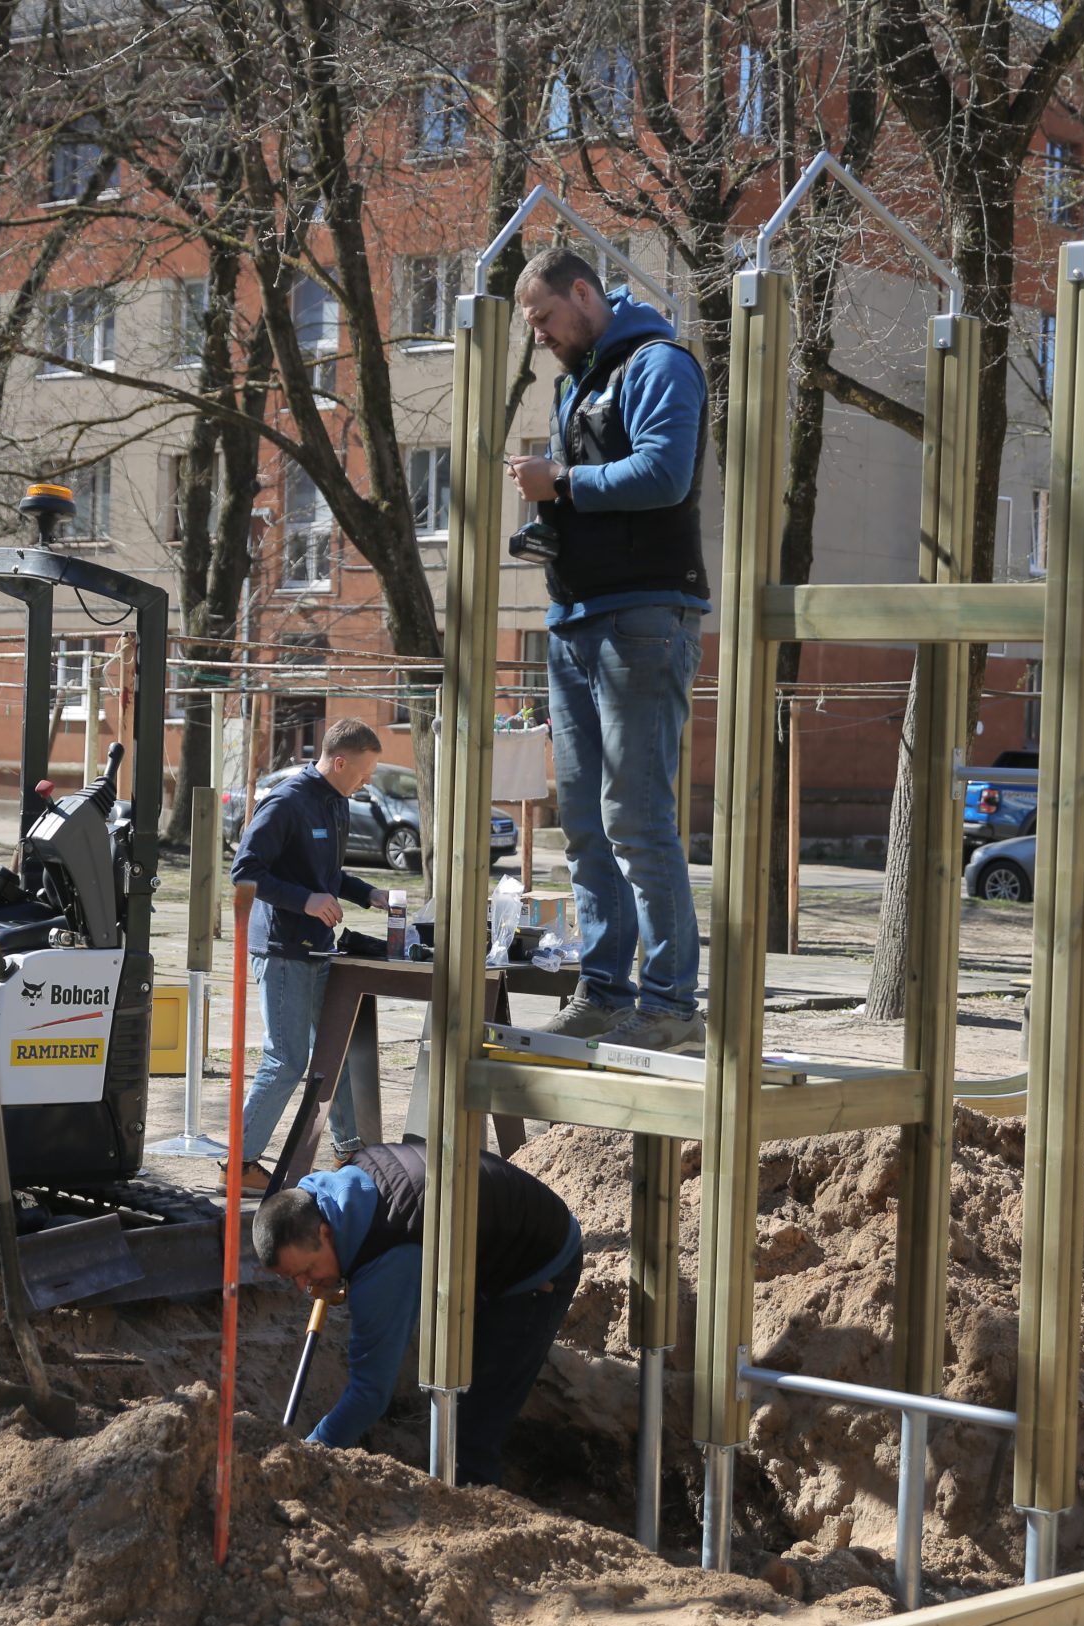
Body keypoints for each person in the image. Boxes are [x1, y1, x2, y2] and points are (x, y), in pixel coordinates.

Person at [504, 248, 709, 1052]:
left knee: (637, 815)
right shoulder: (579, 380)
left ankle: (669, 1005)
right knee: (585, 819)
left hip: (644, 617)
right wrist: (549, 516)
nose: (543, 337)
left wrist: (563, 485)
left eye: (547, 320)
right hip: (576, 617)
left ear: (584, 294)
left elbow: (664, 472)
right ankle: (603, 988)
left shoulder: (659, 363)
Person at [252, 1142, 582, 1486]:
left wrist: (310, 1452)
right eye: (293, 1279)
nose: (304, 1286)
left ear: (324, 1232)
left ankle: (474, 1515)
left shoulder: (387, 1255)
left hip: (538, 1264)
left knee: (470, 1432)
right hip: (492, 1234)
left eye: (305, 1270)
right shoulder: (333, 1194)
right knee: (455, 1396)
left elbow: (370, 1394)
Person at [231, 717, 393, 1184]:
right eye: (364, 772)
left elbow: (327, 874)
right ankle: (239, 1164)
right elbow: (245, 872)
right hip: (283, 950)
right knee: (286, 1059)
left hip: (319, 949)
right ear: (339, 762)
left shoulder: (336, 801)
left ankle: (349, 1152)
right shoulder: (287, 802)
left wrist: (369, 894)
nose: (368, 781)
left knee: (333, 1053)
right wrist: (305, 900)